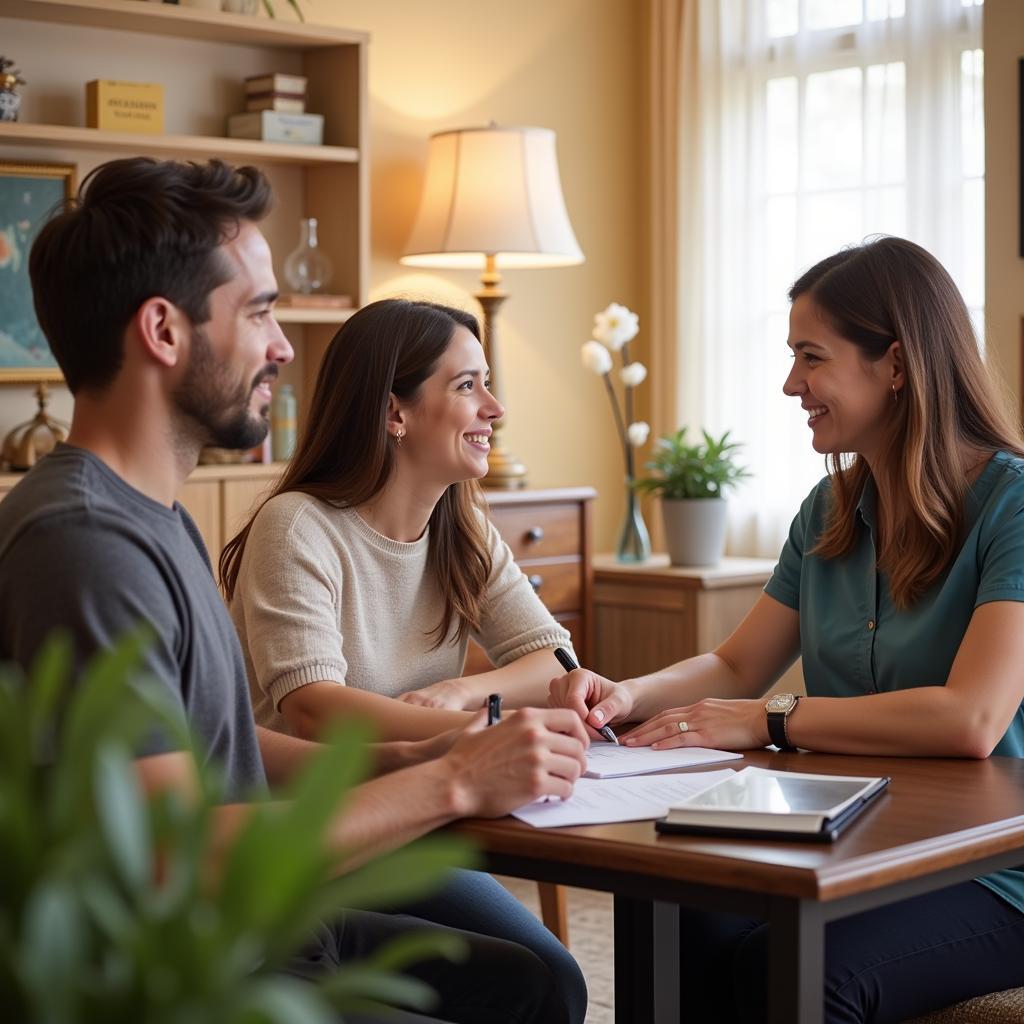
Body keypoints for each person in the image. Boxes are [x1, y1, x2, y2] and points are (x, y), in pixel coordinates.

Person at [0, 155, 590, 1024]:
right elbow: (175, 858)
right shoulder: (86, 544)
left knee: (538, 983)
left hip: (257, 929)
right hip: (196, 972)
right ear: (164, 332)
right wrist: (454, 780)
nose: (283, 345)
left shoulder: (155, 519)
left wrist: (415, 755)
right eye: (261, 312)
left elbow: (223, 748)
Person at [550, 236, 1024, 1023]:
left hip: (994, 872)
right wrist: (623, 695)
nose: (790, 383)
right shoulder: (827, 512)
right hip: (851, 842)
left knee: (801, 972)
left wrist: (775, 721)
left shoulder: (1011, 505)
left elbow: (971, 719)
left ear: (897, 365)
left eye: (812, 357)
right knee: (676, 913)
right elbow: (737, 666)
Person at [219, 297, 588, 1020]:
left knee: (555, 977)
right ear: (395, 413)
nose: (495, 406)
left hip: (419, 816)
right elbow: (315, 707)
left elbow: (553, 664)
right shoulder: (297, 525)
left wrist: (461, 693)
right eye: (467, 386)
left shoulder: (462, 523)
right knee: (535, 983)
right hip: (319, 835)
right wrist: (464, 745)